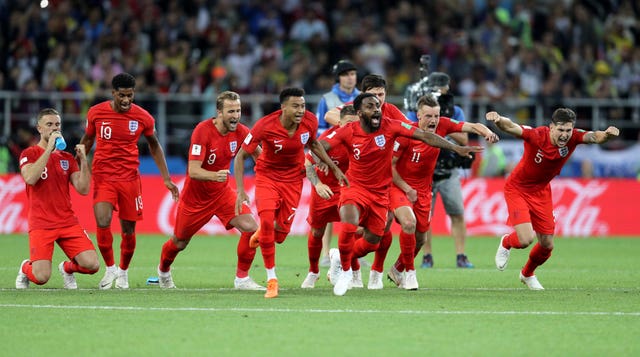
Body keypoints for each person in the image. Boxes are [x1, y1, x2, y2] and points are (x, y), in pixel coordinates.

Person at [321, 92, 483, 296]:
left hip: (390, 192)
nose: (376, 109)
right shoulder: (349, 130)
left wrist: (456, 147)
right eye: (370, 106)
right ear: (360, 112)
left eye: (378, 105)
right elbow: (320, 143)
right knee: (361, 220)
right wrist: (332, 168)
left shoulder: (392, 125)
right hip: (369, 187)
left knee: (379, 240)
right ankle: (356, 270)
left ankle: (341, 257)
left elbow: (428, 135)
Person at [486, 108, 619, 290]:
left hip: (541, 191)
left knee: (547, 245)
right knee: (525, 240)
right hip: (518, 188)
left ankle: (527, 274)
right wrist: (498, 119)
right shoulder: (536, 135)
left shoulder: (574, 138)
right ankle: (506, 242)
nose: (565, 135)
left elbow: (595, 137)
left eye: (568, 130)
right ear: (551, 127)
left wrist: (608, 135)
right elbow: (511, 127)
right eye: (561, 130)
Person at [234, 87, 346, 298]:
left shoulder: (310, 122)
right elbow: (240, 156)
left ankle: (264, 234)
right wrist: (240, 191)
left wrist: (333, 167)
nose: (300, 110)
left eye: (303, 106)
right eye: (295, 106)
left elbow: (314, 144)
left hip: (294, 180)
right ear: (283, 107)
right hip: (267, 177)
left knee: (280, 235)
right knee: (267, 222)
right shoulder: (265, 125)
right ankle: (271, 279)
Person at [386, 95, 499, 290]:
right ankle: (410, 274)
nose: (433, 120)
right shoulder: (406, 133)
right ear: (418, 116)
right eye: (428, 116)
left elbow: (472, 126)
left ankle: (397, 269)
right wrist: (407, 188)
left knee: (421, 239)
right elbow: (390, 166)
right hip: (400, 187)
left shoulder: (443, 125)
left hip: (423, 190)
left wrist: (487, 132)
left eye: (436, 116)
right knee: (408, 223)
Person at [80, 73, 179, 290]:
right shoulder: (96, 113)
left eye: (130, 95)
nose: (126, 100)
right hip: (104, 176)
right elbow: (87, 141)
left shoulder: (143, 117)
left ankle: (123, 272)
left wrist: (166, 178)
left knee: (128, 231)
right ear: (113, 93)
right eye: (122, 95)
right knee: (103, 221)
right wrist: (78, 166)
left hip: (129, 180)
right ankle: (110, 268)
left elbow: (154, 146)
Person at [156, 91, 263, 290]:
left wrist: (269, 174)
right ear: (219, 113)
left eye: (238, 110)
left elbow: (259, 155)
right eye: (231, 111)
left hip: (222, 194)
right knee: (179, 242)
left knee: (251, 228)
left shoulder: (241, 131)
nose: (235, 115)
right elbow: (194, 170)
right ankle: (163, 270)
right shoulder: (202, 131)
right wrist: (215, 175)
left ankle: (242, 279)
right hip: (195, 199)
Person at [15, 108, 100, 289]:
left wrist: (84, 161)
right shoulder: (28, 154)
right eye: (49, 125)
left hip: (67, 221)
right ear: (39, 128)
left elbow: (83, 189)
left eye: (57, 124)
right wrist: (49, 151)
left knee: (92, 265)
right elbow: (30, 178)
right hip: (41, 223)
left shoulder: (67, 158)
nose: (54, 128)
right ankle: (25, 267)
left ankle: (67, 268)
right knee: (41, 277)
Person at [417, 72, 475, 269]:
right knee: (425, 218)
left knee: (457, 213)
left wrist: (444, 122)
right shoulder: (418, 108)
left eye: (443, 87)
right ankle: (427, 256)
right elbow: (412, 131)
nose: (441, 91)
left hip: (449, 170)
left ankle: (461, 255)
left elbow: (465, 140)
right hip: (425, 171)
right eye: (437, 87)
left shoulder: (454, 110)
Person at [301, 105, 359, 288]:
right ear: (339, 123)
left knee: (357, 229)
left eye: (355, 124)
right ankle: (313, 272)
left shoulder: (362, 139)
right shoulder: (327, 140)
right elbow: (308, 164)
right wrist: (318, 184)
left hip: (348, 190)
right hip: (324, 191)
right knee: (317, 232)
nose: (352, 129)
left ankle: (346, 268)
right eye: (348, 124)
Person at [315, 60, 360, 267]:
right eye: (346, 74)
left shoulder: (362, 98)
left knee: (353, 207)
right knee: (326, 210)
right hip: (333, 155)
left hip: (355, 157)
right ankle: (325, 254)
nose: (350, 77)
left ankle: (354, 252)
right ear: (338, 78)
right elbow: (319, 129)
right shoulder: (328, 99)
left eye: (353, 73)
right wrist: (323, 155)